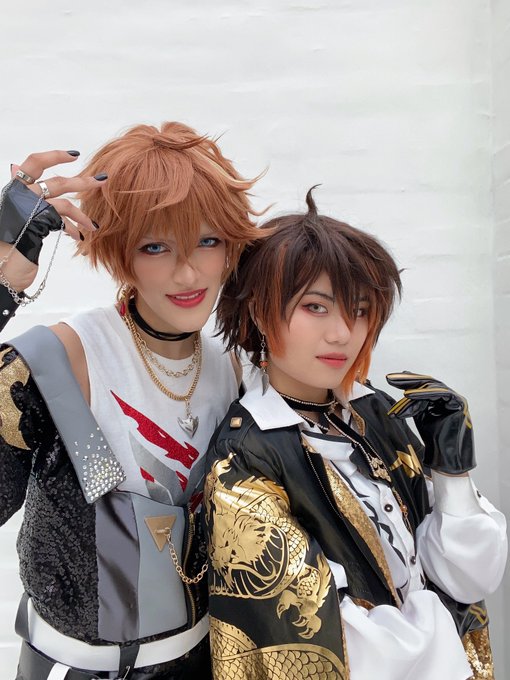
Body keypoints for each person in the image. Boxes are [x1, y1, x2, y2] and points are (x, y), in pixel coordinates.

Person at [203, 189, 508, 680]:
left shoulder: (375, 411)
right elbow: (333, 649)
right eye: (316, 307)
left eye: (361, 309)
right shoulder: (245, 459)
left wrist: (452, 471)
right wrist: (442, 616)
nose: (343, 333)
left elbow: (473, 576)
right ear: (259, 310)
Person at [0, 122, 263, 679]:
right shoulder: (58, 361)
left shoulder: (238, 367)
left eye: (208, 240)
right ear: (118, 250)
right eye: (155, 246)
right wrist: (0, 281)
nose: (187, 271)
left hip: (205, 661)